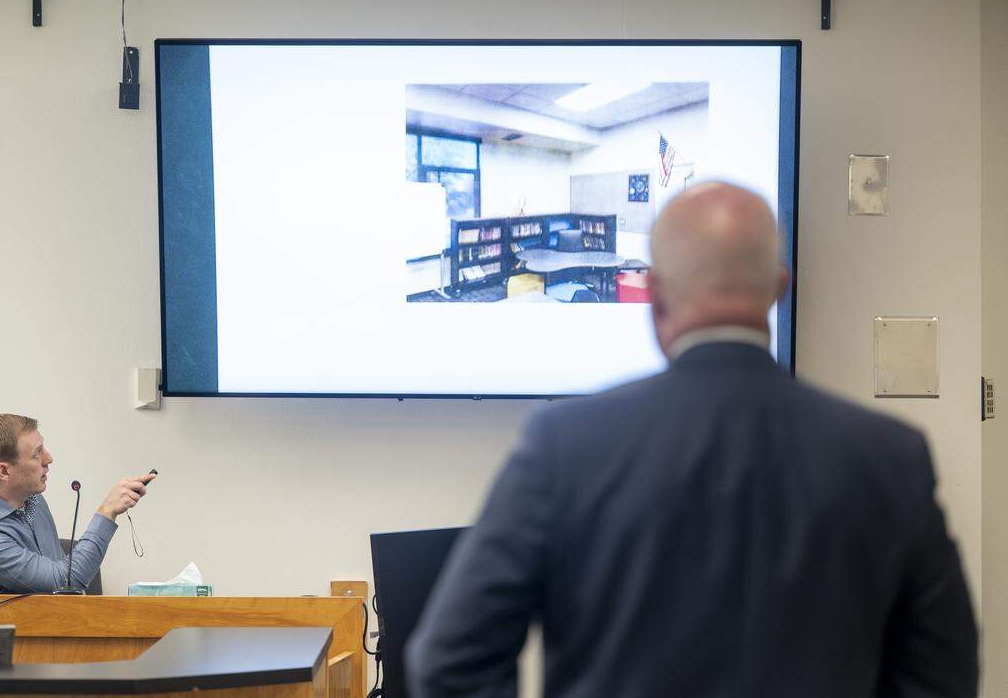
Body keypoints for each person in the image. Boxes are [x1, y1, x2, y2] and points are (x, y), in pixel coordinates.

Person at [406, 182, 978, 697]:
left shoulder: (565, 445)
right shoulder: (887, 456)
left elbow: (450, 661)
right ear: (779, 288)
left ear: (654, 296)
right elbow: (944, 671)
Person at [0, 413, 154, 594]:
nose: (49, 458)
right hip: (25, 631)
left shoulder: (30, 497)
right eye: (36, 454)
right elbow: (66, 582)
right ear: (4, 472)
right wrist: (108, 510)